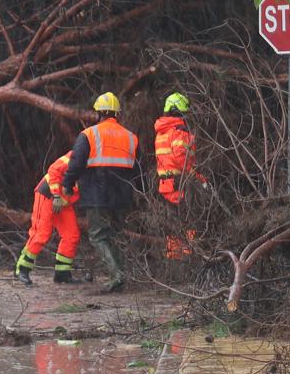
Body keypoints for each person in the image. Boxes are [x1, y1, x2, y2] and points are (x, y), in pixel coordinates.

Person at [59, 92, 143, 293]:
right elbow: (140, 168)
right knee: (115, 234)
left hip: (97, 193)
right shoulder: (131, 137)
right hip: (122, 195)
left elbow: (76, 163)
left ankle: (117, 276)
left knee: (98, 236)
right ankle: (120, 275)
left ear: (98, 113)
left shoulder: (89, 134)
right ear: (117, 114)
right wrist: (141, 193)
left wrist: (67, 184)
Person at [14, 150, 80, 286]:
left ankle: (62, 274)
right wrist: (56, 195)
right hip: (48, 194)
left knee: (71, 235)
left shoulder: (98, 167)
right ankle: (22, 269)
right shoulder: (78, 155)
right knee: (41, 233)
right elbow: (54, 169)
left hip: (64, 201)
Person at [154, 92, 205, 259]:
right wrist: (199, 177)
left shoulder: (161, 132)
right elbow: (182, 160)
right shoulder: (179, 132)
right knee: (190, 221)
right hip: (180, 183)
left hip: (165, 184)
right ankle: (190, 257)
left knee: (173, 224)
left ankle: (175, 259)